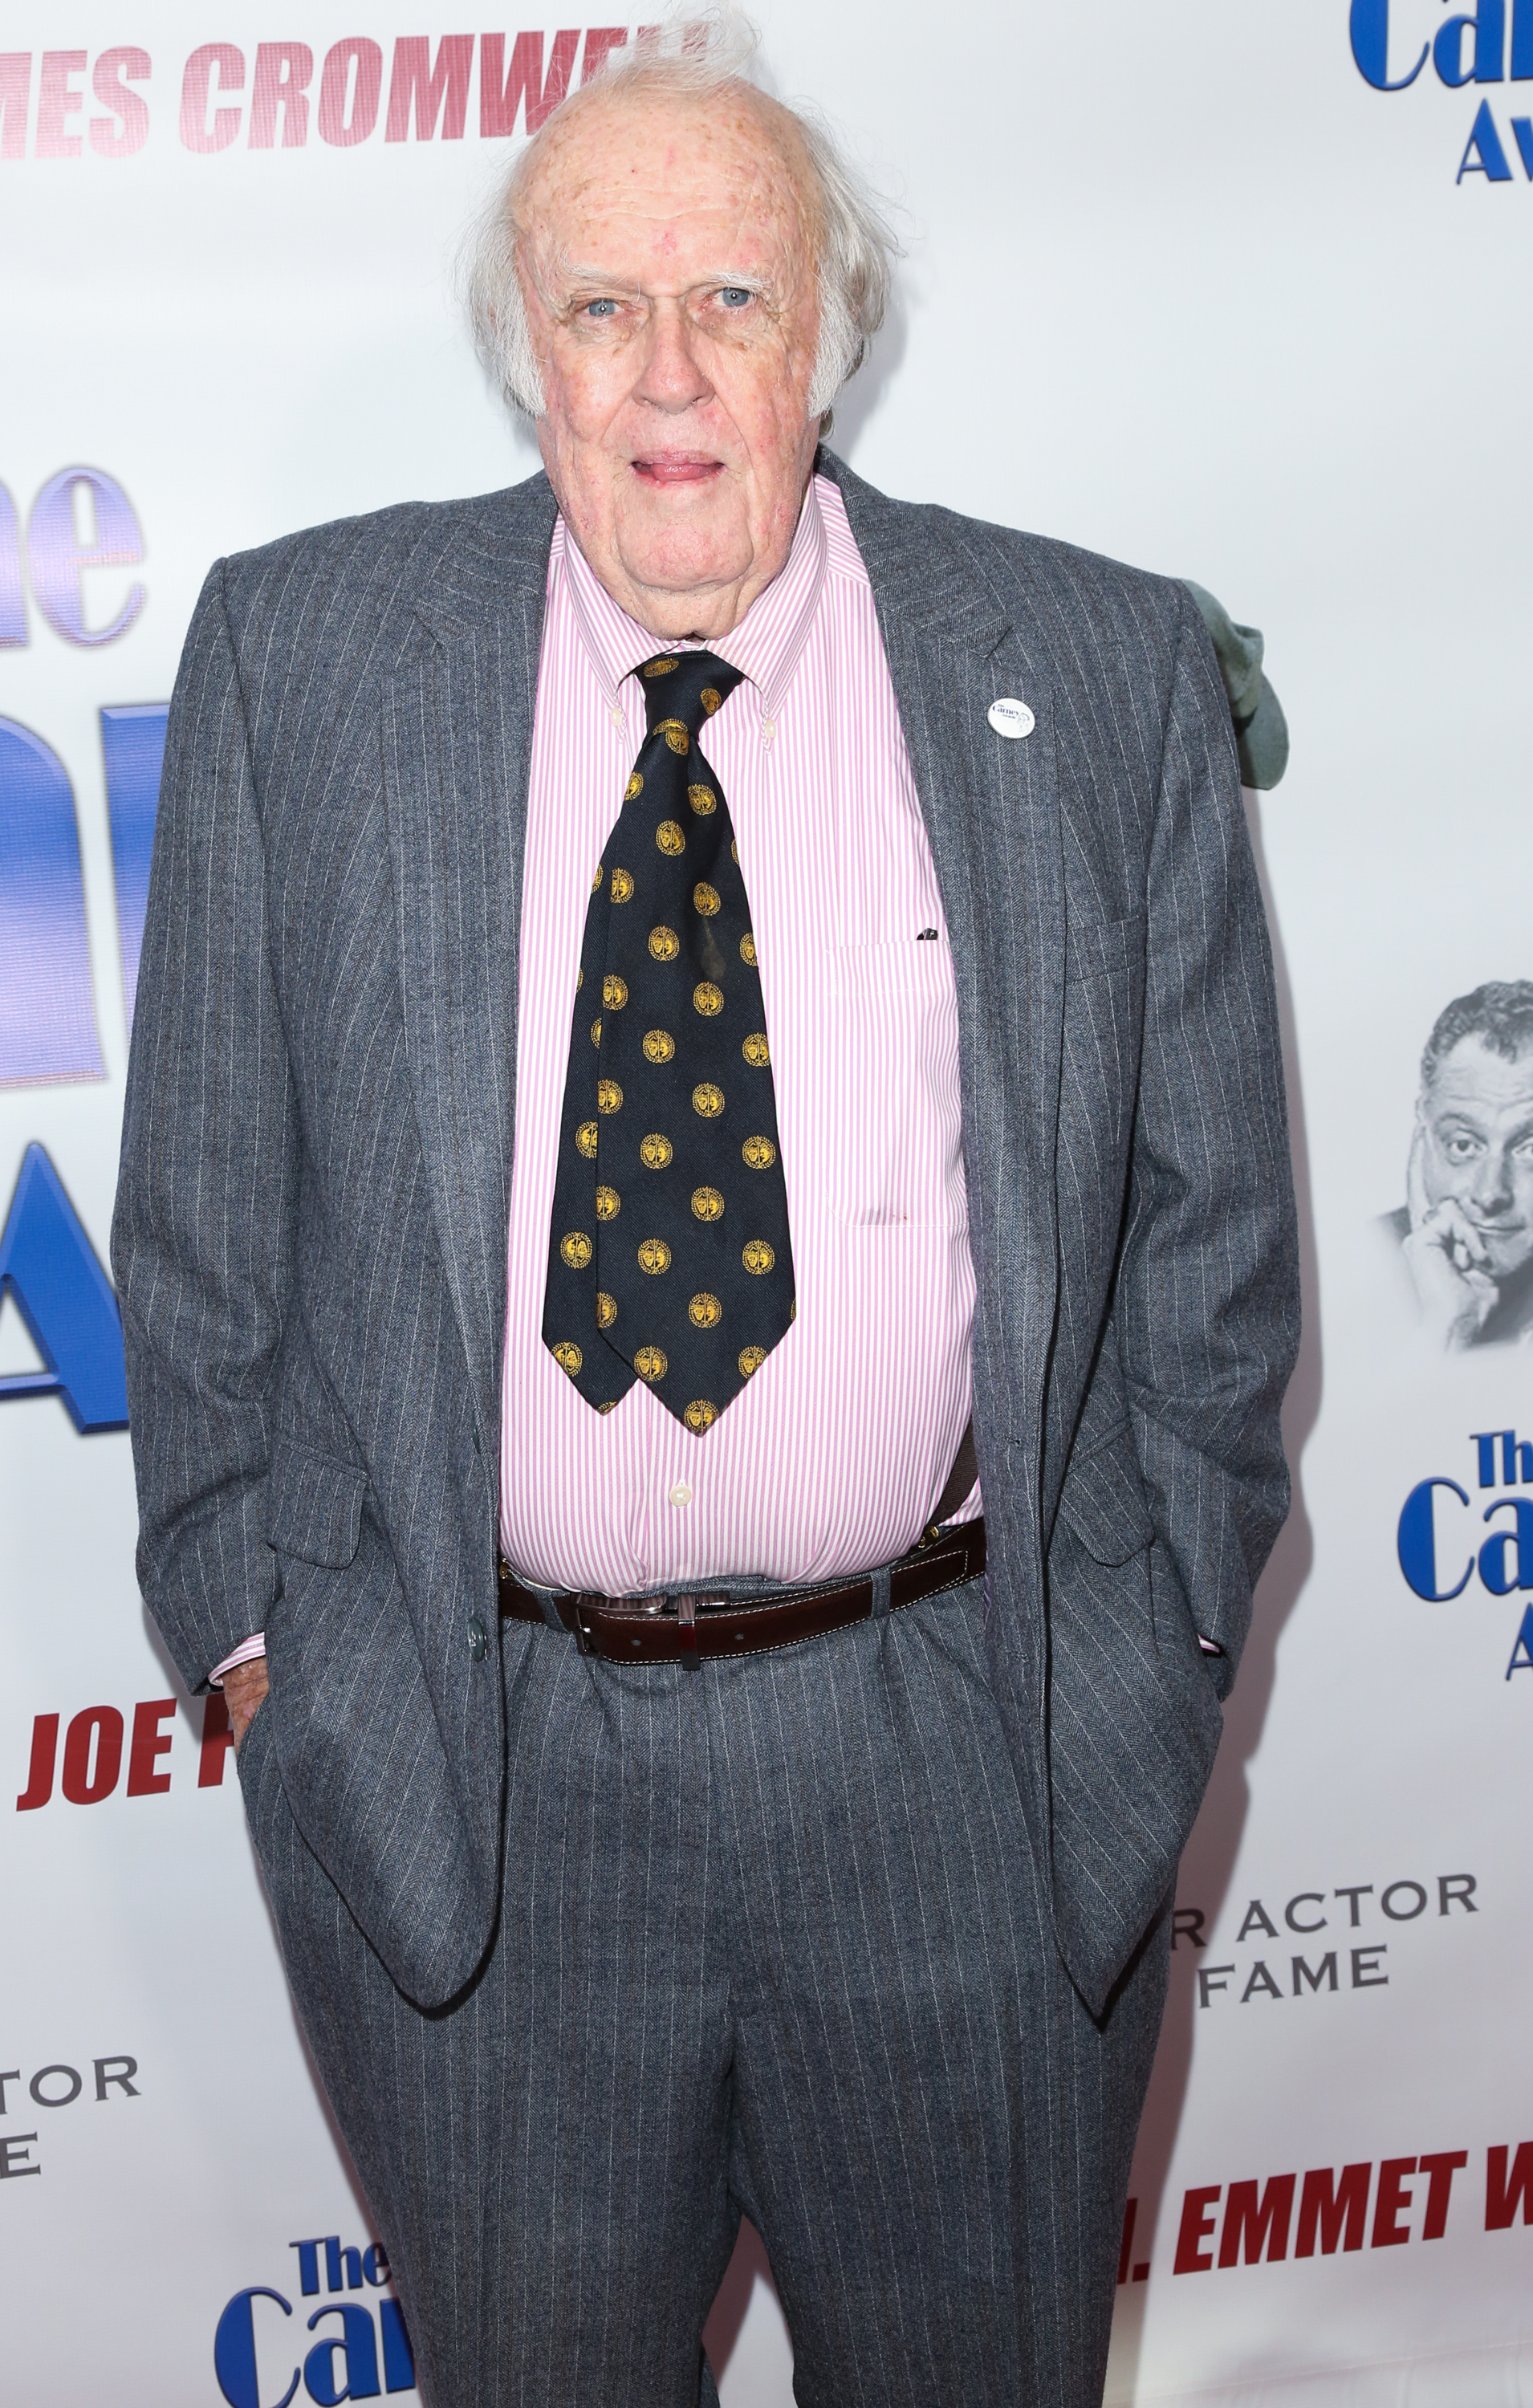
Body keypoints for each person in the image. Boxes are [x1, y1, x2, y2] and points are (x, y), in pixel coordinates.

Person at [112, 21, 1299, 2406]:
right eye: (598, 307)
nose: (670, 373)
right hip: (480, 1787)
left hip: (959, 1763)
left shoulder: (1084, 661)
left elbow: (1212, 1243)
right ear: (519, 352)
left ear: (828, 339)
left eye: (735, 300)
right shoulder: (308, 662)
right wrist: (268, 1654)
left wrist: (1142, 1657)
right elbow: (206, 1224)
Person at [1387, 981, 1533, 1348]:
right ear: (1423, 1132)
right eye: (1464, 1145)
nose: (1489, 1193)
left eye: (1529, 1149)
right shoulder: (1343, 1272)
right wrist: (1447, 1330)